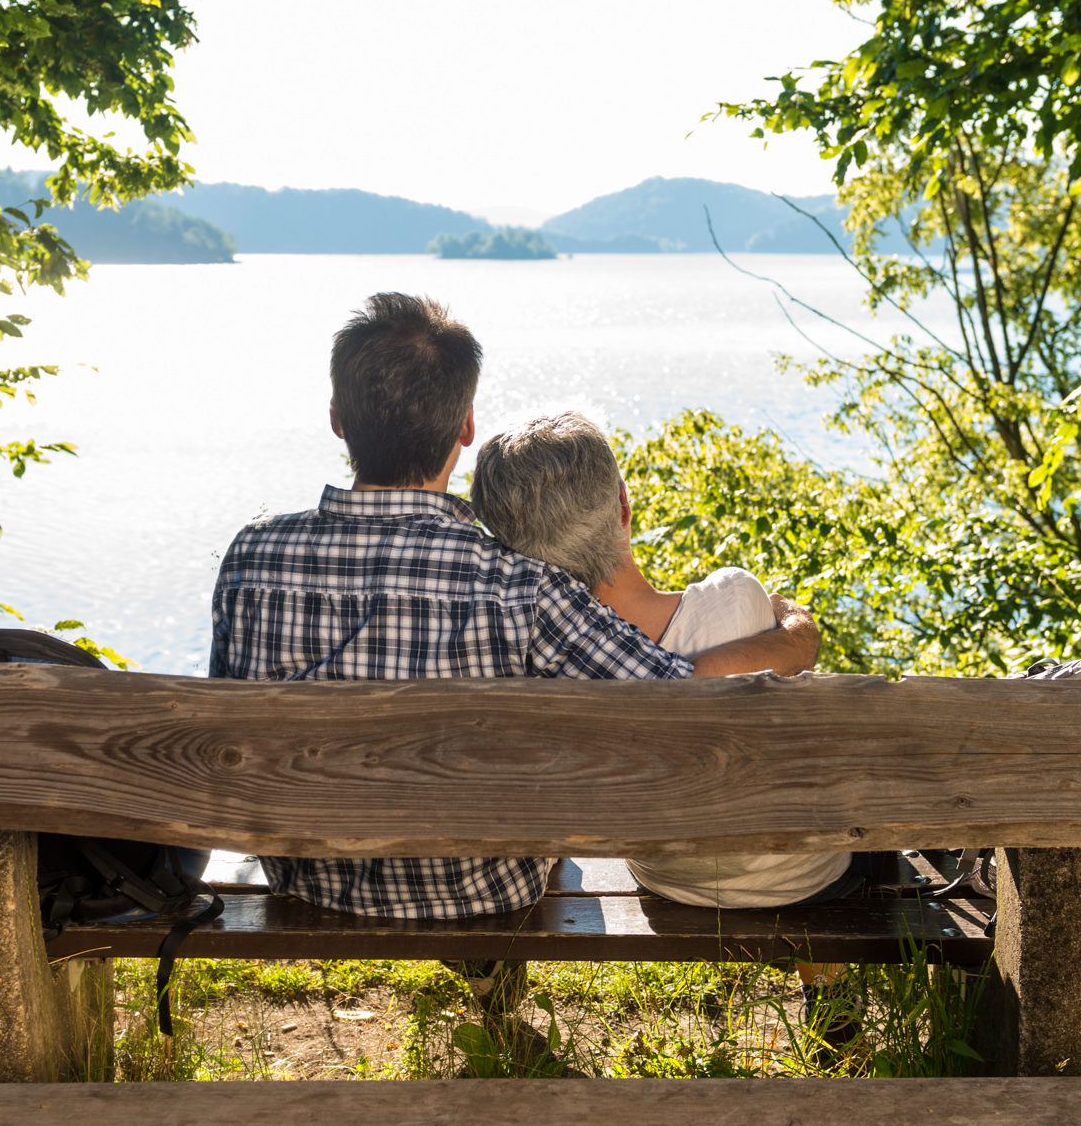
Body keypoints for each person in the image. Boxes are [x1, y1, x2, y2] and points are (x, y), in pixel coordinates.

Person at [207, 295, 822, 1033]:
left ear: (338, 417)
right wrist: (792, 639)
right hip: (481, 884)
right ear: (465, 428)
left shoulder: (250, 556)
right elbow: (680, 707)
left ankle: (489, 994)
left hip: (304, 872)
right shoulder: (517, 585)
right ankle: (494, 984)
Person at [466, 410, 882, 911]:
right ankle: (825, 984)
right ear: (622, 503)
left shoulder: (527, 650)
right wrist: (795, 623)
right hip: (800, 878)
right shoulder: (735, 598)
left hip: (667, 878)